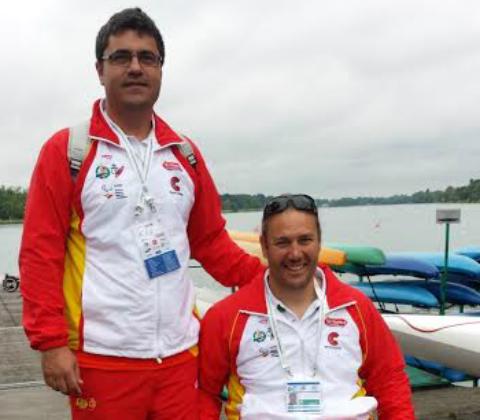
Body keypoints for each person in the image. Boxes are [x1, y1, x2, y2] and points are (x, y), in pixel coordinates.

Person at [19, 8, 263, 419]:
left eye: (147, 58)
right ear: (100, 69)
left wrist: (276, 279)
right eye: (121, 57)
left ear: (161, 70)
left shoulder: (184, 154)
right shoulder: (67, 151)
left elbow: (211, 243)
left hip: (183, 357)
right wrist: (50, 343)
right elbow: (40, 254)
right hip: (102, 360)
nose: (135, 67)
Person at [198, 194, 415, 419]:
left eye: (305, 240)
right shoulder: (226, 317)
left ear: (319, 241)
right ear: (264, 246)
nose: (295, 253)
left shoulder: (357, 307)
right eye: (282, 242)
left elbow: (390, 380)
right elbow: (204, 394)